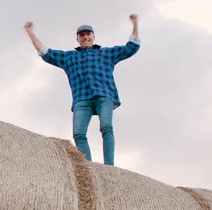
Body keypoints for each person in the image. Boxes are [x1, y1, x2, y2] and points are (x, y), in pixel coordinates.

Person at [23, 15, 140, 166]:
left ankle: (109, 167)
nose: (85, 37)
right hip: (82, 99)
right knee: (78, 134)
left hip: (104, 96)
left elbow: (131, 47)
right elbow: (45, 52)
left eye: (88, 34)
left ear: (93, 37)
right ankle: (88, 167)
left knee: (106, 127)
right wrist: (30, 33)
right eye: (82, 35)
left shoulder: (106, 53)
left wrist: (135, 23)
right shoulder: (69, 57)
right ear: (77, 39)